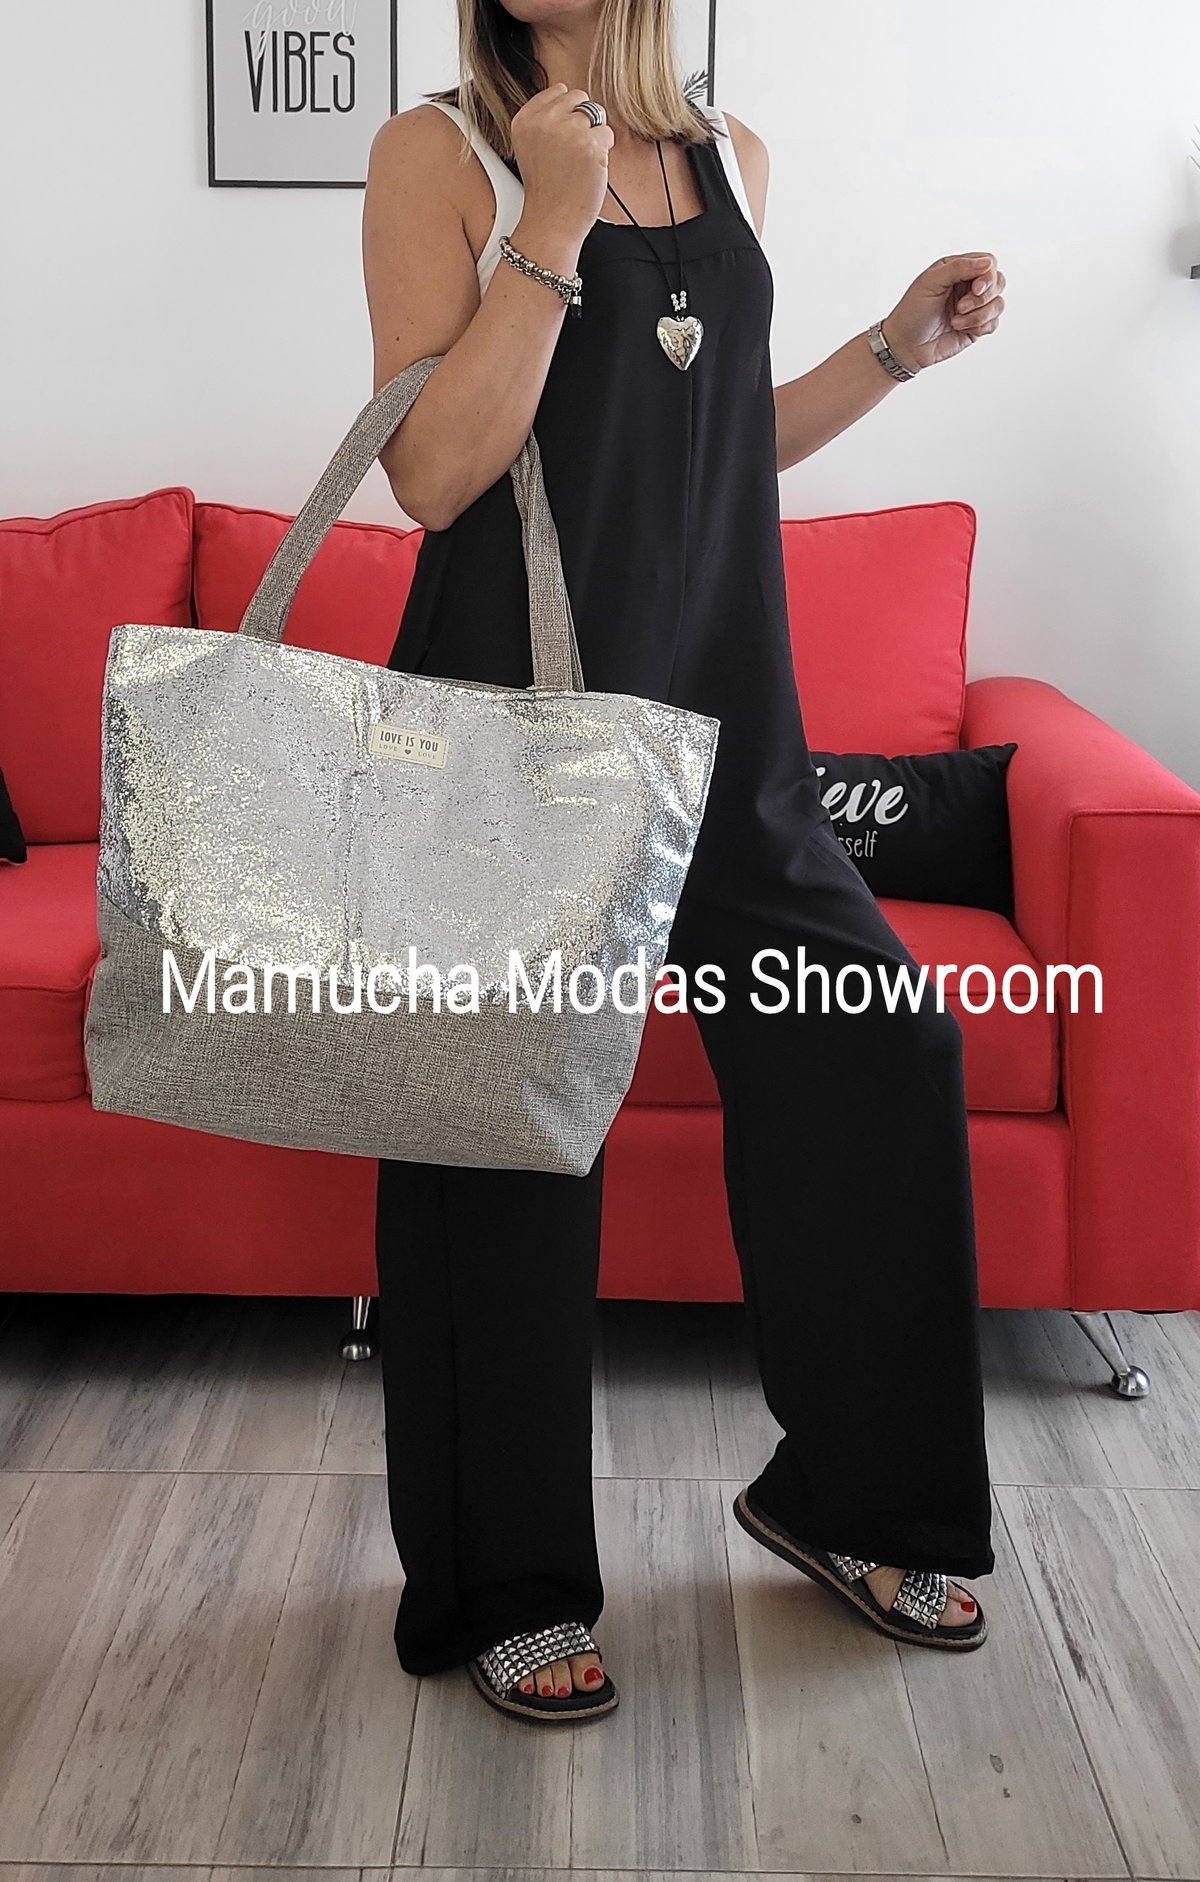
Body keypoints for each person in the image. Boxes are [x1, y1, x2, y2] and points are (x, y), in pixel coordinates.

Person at [362, 0, 1007, 1725]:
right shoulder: (440, 153)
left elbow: (719, 439)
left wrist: (891, 350)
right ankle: (507, 1581)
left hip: (728, 724)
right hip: (515, 722)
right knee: (508, 1139)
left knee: (880, 1046)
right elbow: (434, 472)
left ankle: (855, 1495)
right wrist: (550, 226)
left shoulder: (735, 160)